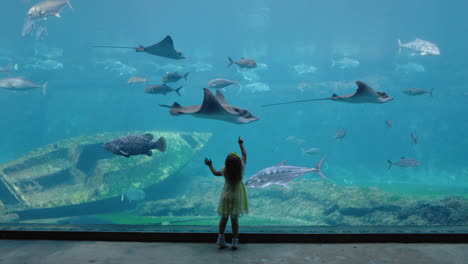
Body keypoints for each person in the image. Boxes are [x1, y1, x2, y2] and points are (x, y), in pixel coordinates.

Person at [204, 136, 249, 249]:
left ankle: (220, 239)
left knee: (224, 218)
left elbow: (215, 173)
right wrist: (241, 143)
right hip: (236, 196)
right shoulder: (241, 168)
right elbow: (244, 155)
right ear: (239, 163)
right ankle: (234, 241)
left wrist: (210, 165)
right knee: (234, 220)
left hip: (226, 195)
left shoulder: (225, 170)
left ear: (226, 163)